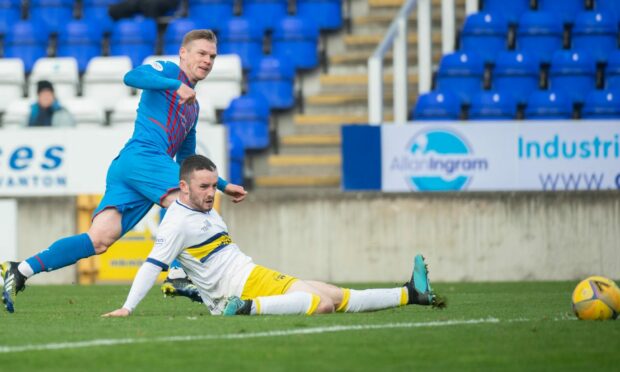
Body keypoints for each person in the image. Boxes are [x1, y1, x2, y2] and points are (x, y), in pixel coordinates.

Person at [1, 29, 247, 314]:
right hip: (143, 156)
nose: (207, 60)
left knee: (99, 239)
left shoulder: (192, 107)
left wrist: (221, 184)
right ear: (183, 53)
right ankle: (179, 274)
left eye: (212, 56)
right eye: (201, 53)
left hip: (133, 168)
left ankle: (21, 269)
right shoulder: (168, 71)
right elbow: (131, 77)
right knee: (186, 200)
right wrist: (173, 85)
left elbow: (189, 163)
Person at [103, 155, 446, 318]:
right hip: (242, 287)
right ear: (183, 187)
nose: (211, 193)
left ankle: (410, 295)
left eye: (214, 186)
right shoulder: (177, 221)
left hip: (250, 275)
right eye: (204, 187)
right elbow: (152, 263)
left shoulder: (205, 208)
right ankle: (244, 310)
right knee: (321, 304)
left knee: (337, 295)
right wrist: (127, 308)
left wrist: (185, 279)